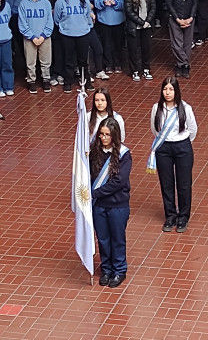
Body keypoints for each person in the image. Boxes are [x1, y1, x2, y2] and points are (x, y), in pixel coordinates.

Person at [148, 77, 198, 233]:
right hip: (164, 148)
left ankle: (183, 216)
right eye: (165, 89)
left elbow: (192, 129)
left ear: (176, 91)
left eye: (171, 89)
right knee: (166, 183)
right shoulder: (157, 108)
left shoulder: (185, 108)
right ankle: (170, 215)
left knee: (183, 184)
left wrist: (180, 142)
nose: (168, 92)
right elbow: (155, 129)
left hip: (182, 147)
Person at [90, 117, 132, 288]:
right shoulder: (94, 152)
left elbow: (119, 182)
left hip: (117, 204)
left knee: (117, 238)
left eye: (107, 134)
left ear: (114, 135)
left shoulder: (124, 154)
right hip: (99, 205)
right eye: (101, 134)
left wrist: (96, 193)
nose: (104, 138)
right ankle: (106, 269)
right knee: (103, 238)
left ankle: (119, 270)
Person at [54, 0, 95, 93]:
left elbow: (88, 16)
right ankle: (68, 82)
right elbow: (57, 19)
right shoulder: (61, 1)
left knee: (83, 61)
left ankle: (86, 81)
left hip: (83, 34)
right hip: (67, 35)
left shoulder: (85, 0)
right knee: (68, 60)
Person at [19, 0, 54, 94]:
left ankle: (46, 80)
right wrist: (32, 36)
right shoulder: (23, 4)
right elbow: (22, 23)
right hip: (30, 38)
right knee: (30, 61)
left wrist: (43, 35)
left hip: (45, 37)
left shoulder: (46, 3)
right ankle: (31, 81)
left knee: (46, 60)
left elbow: (50, 21)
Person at [124, 0, 156, 82]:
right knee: (134, 50)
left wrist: (147, 21)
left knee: (146, 49)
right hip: (134, 27)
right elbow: (129, 11)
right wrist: (141, 22)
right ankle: (135, 71)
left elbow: (153, 7)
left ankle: (146, 69)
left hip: (147, 26)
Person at [165, 0, 198, 78]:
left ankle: (182, 66)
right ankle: (184, 64)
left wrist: (191, 17)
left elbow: (195, 2)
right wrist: (178, 19)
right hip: (175, 18)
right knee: (176, 44)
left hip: (189, 18)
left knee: (187, 43)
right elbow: (169, 3)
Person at [95, 0, 127, 74]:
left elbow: (125, 3)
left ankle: (118, 64)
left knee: (118, 44)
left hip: (118, 21)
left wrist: (115, 3)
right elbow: (96, 2)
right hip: (104, 21)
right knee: (106, 44)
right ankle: (108, 64)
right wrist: (103, 3)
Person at [42, 0, 64, 87]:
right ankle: (49, 75)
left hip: (57, 29)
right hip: (45, 31)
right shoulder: (41, 1)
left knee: (58, 52)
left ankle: (59, 73)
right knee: (48, 55)